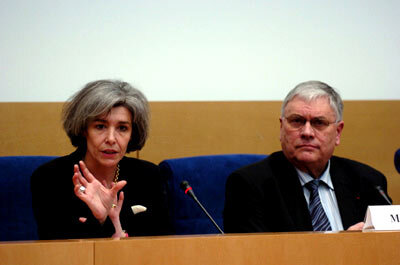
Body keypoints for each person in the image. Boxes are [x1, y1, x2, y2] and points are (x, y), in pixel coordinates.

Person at [224, 80, 391, 233]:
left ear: (338, 133)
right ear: (282, 128)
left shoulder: (369, 182)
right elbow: (253, 256)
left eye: (319, 123)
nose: (307, 132)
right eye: (297, 121)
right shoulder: (249, 185)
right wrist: (344, 249)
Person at [31, 79, 172, 240]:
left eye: (122, 128)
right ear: (84, 129)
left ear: (132, 133)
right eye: (100, 126)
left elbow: (163, 243)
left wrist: (111, 220)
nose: (111, 139)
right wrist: (99, 219)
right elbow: (55, 249)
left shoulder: (149, 176)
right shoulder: (49, 178)